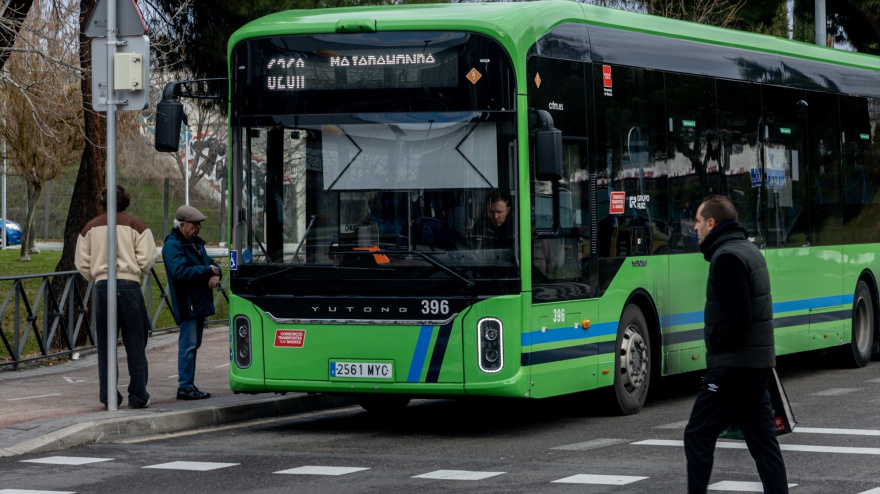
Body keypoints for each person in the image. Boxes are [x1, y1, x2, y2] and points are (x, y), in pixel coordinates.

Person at [684, 195, 788, 494]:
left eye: (698, 221)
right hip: (756, 365)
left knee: (698, 433)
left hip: (734, 366)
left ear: (712, 223)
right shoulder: (749, 250)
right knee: (763, 443)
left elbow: (740, 315)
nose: (695, 227)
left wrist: (717, 341)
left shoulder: (727, 257)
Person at [75, 185, 157, 409]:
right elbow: (149, 257)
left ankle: (108, 396)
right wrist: (137, 271)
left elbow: (81, 261)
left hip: (103, 287)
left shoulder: (90, 227)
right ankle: (138, 395)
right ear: (126, 202)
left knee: (106, 345)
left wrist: (96, 276)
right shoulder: (137, 225)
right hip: (129, 285)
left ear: (102, 202)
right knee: (135, 344)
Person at [163, 205, 221, 400]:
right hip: (187, 303)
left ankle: (189, 384)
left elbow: (212, 263)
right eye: (195, 224)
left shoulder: (195, 243)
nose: (199, 228)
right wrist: (208, 271)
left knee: (193, 345)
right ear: (182, 225)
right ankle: (185, 386)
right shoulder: (173, 245)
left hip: (198, 302)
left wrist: (216, 273)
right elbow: (180, 273)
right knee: (188, 345)